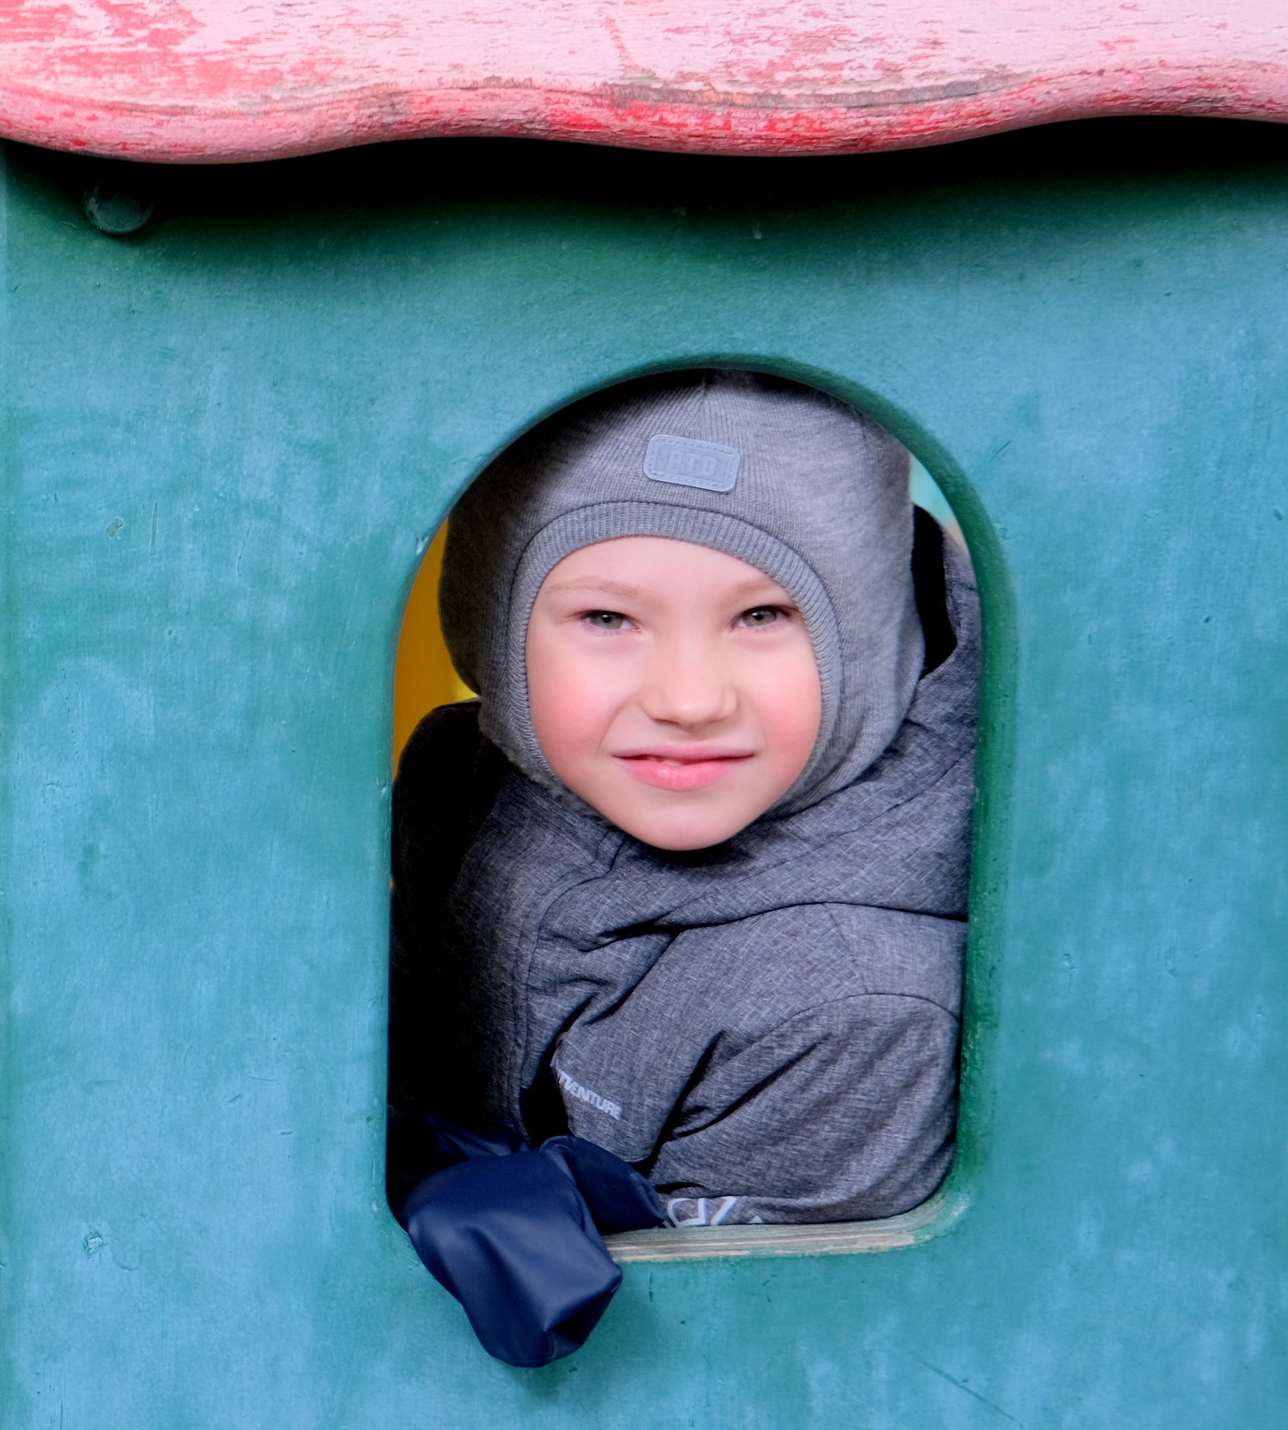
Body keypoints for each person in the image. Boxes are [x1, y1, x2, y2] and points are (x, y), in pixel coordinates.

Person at [388, 370, 975, 1367]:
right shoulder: (467, 777)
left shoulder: (850, 998)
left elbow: (747, 1362)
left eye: (763, 616)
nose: (690, 697)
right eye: (607, 621)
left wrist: (573, 1207)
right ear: (493, 617)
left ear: (869, 630)